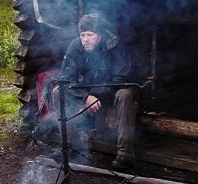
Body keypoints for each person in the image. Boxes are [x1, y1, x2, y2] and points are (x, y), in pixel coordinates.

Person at [52, 13, 138, 171]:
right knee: (58, 92)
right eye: (82, 35)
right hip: (90, 93)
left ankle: (125, 155)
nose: (85, 39)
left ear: (100, 34)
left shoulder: (115, 46)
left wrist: (95, 98)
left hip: (114, 91)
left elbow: (119, 80)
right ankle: (72, 146)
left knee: (124, 95)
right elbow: (66, 78)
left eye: (90, 35)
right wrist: (86, 97)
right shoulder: (76, 46)